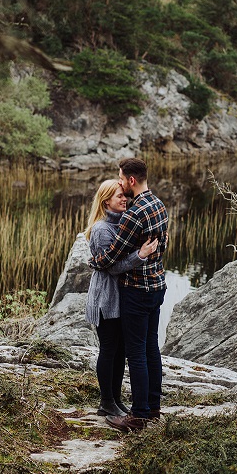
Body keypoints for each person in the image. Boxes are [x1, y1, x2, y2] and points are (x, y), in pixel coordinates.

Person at [89, 157, 168, 432]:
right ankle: (151, 406)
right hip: (156, 287)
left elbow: (109, 258)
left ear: (131, 180)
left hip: (137, 291)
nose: (121, 187)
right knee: (149, 348)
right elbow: (160, 247)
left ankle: (139, 413)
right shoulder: (159, 205)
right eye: (117, 192)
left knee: (136, 353)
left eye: (122, 180)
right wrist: (143, 255)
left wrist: (96, 262)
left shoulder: (134, 214)